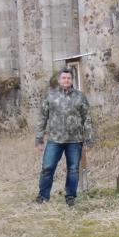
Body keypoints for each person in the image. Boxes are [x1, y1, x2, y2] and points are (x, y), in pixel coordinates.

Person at [34, 67, 93, 206]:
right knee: (47, 168)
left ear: (72, 80)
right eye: (64, 78)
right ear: (59, 80)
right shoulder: (50, 96)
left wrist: (88, 139)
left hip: (75, 140)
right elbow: (42, 117)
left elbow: (87, 119)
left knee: (73, 170)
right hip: (55, 139)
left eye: (69, 78)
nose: (66, 80)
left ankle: (70, 196)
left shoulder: (80, 96)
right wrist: (39, 137)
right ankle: (43, 196)